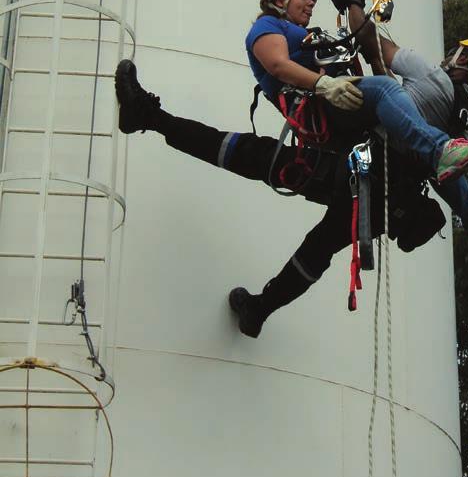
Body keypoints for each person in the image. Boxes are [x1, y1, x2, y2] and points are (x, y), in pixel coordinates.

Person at [114, 59, 446, 338]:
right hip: (371, 198)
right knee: (318, 248)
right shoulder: (454, 124)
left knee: (253, 155)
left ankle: (148, 117)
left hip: (354, 176)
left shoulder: (433, 92)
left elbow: (382, 58)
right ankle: (259, 310)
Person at [326, 0, 468, 250]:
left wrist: (353, 3)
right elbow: (400, 103)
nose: (448, 56)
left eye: (455, 52)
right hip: (400, 186)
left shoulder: (429, 73)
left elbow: (367, 38)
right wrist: (375, 60)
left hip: (372, 153)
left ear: (463, 59)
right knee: (447, 169)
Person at [246, 0, 468, 184]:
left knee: (444, 165)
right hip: (323, 105)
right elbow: (278, 64)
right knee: (387, 91)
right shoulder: (268, 25)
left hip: (346, 104)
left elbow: (372, 48)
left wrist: (353, 8)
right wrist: (323, 82)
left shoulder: (303, 34)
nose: (311, 3)